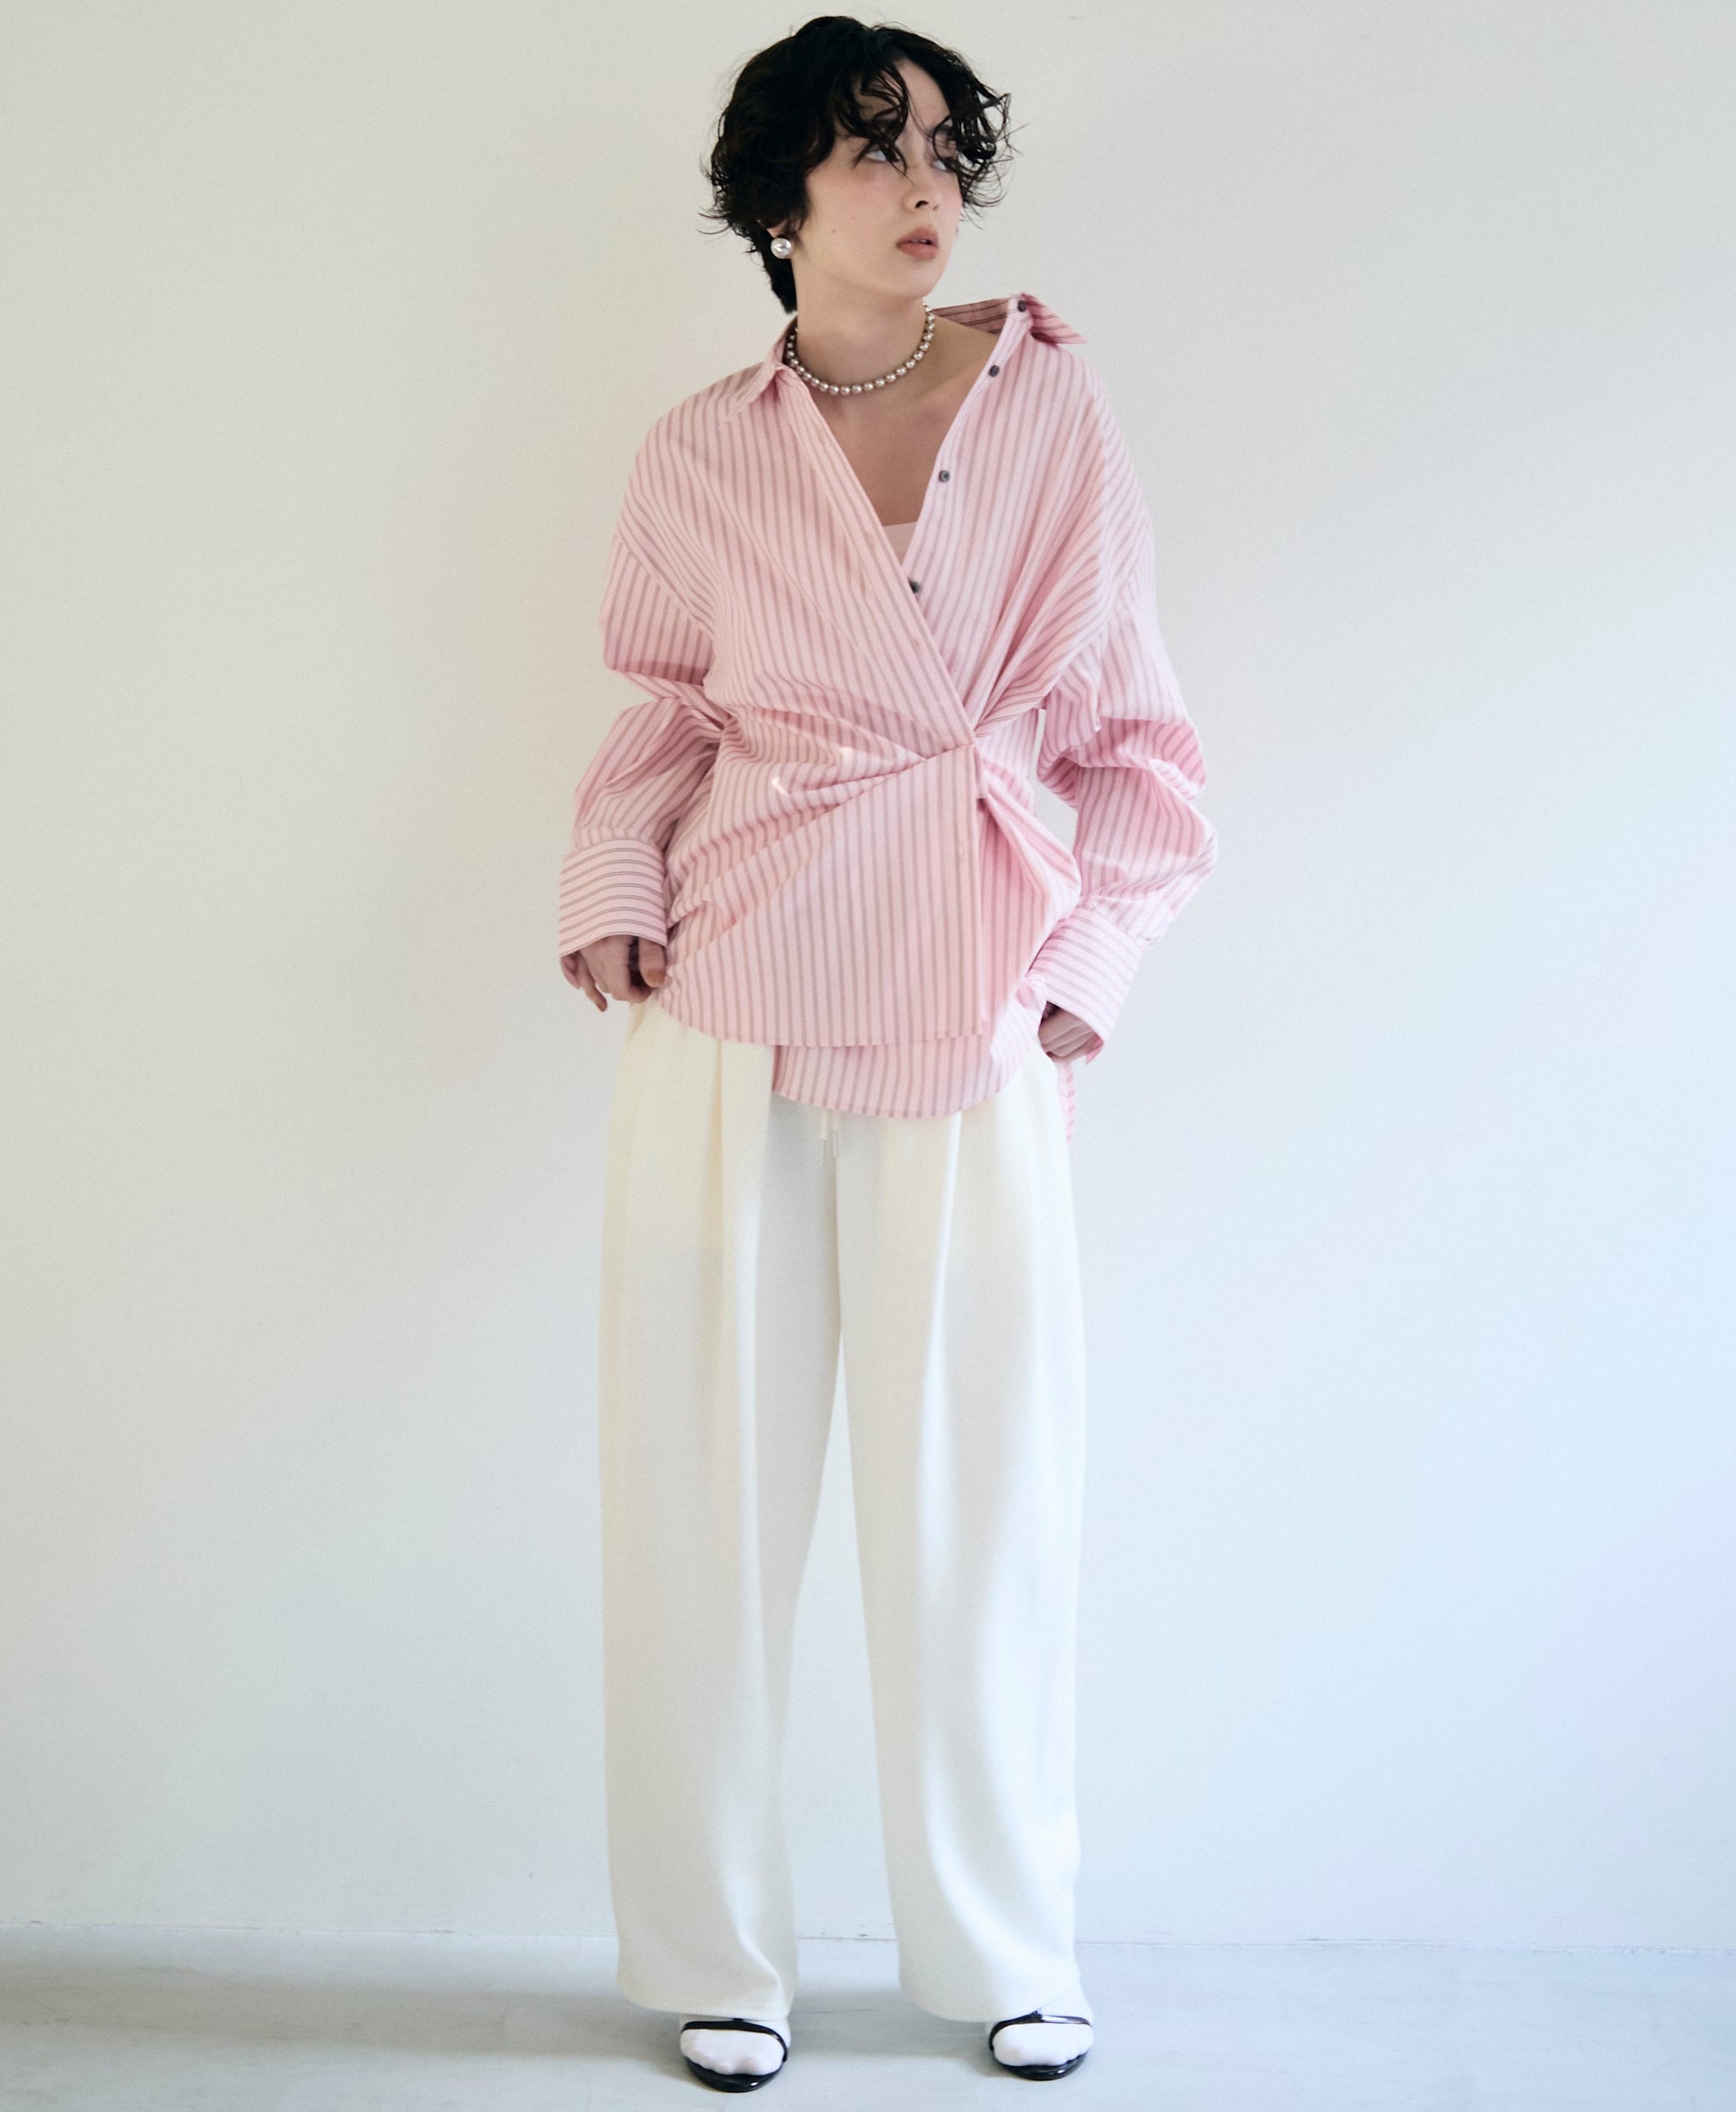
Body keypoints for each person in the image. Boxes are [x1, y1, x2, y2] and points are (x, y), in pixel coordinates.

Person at [557, 16, 1217, 2092]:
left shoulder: (1049, 406)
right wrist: (610, 879)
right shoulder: (699, 452)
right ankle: (717, 1957)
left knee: (983, 1502)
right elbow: (665, 712)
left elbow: (1140, 741)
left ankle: (1009, 1946)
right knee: (702, 1499)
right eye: (871, 154)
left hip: (974, 988)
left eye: (943, 150)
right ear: (781, 202)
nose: (925, 189)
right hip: (732, 1006)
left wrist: (1088, 958)